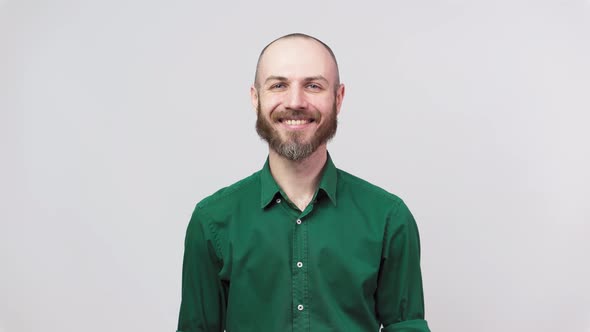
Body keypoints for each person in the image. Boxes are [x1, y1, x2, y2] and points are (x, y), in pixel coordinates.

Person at [177, 33, 430, 332]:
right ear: (256, 98)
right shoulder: (212, 221)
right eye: (278, 85)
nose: (295, 102)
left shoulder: (389, 218)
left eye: (313, 85)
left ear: (338, 98)